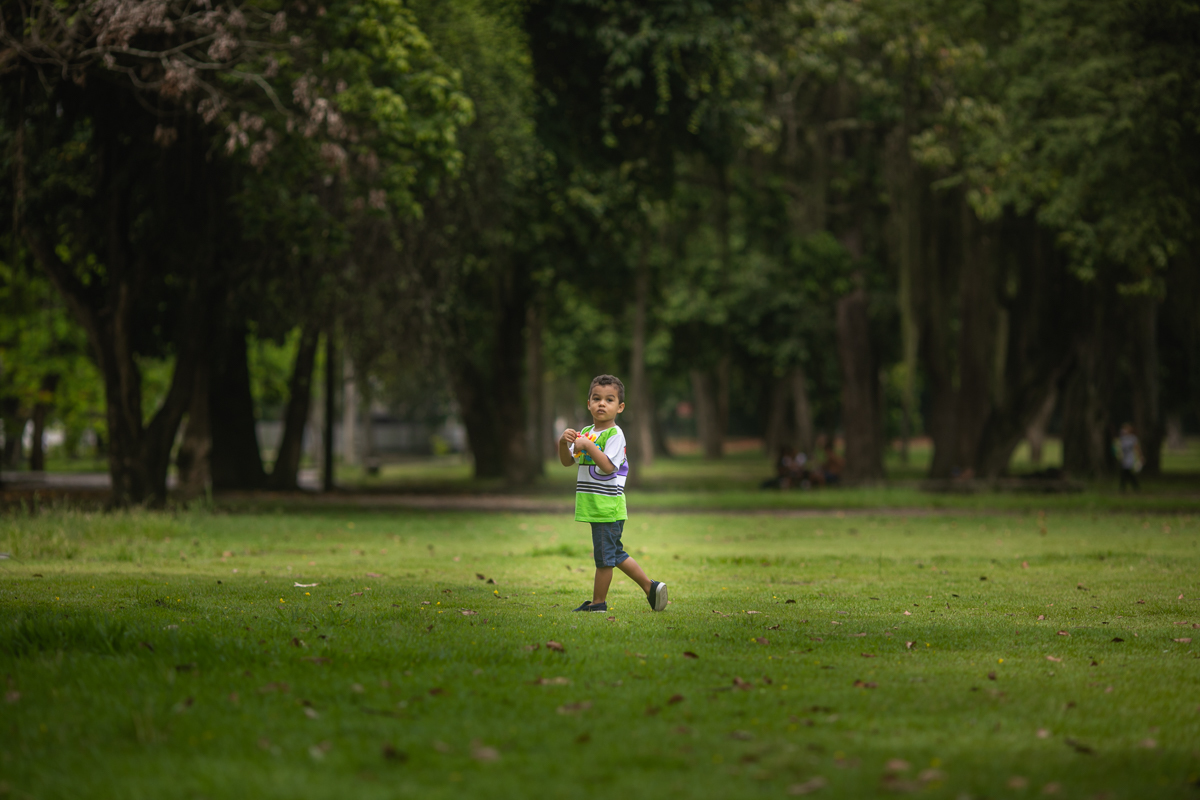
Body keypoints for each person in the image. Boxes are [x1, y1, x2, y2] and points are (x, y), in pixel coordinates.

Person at [558, 374, 668, 613]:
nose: (601, 404)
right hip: (595, 506)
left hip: (607, 506)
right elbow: (568, 462)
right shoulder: (587, 431)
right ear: (588, 403)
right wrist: (562, 443)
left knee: (606, 557)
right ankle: (650, 588)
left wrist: (588, 445)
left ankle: (599, 603)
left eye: (609, 400)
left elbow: (608, 466)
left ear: (620, 407)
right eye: (596, 398)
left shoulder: (615, 435)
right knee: (613, 553)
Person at [1117, 422, 1142, 492]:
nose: (1124, 430)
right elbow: (1119, 448)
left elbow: (1137, 448)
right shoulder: (1122, 438)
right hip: (1124, 458)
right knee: (1127, 473)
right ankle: (1135, 487)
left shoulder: (1133, 438)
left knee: (1126, 472)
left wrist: (1140, 457)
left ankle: (1123, 487)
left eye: (1126, 429)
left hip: (1130, 458)